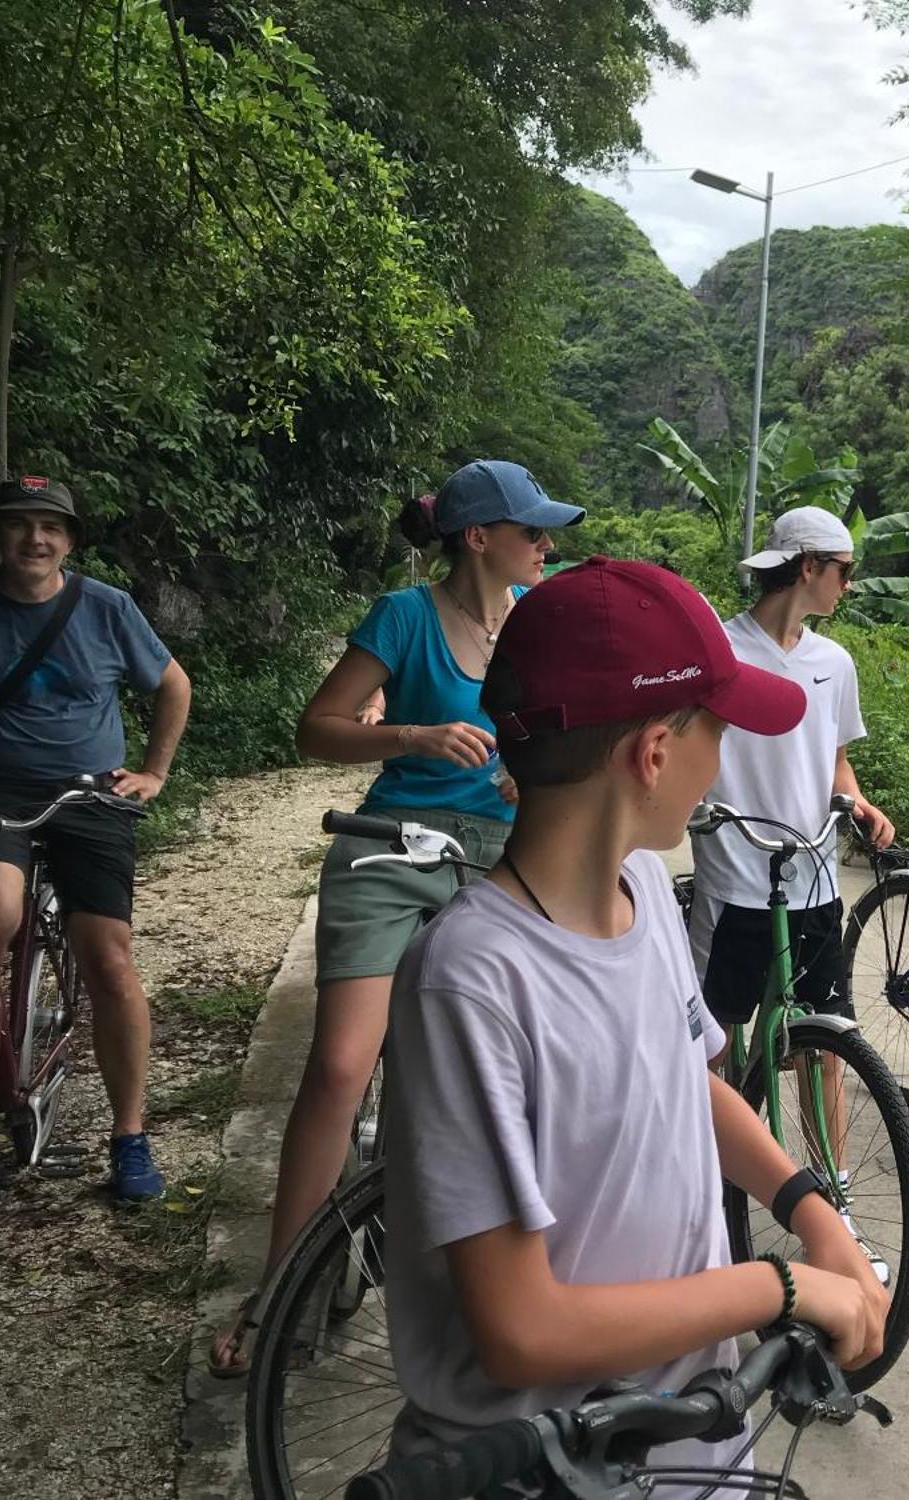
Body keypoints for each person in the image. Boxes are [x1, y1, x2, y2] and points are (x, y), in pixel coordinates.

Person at [381, 555, 888, 1476]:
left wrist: (810, 1210)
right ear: (653, 753)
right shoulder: (470, 980)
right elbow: (521, 1331)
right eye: (719, 734)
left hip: (691, 1437)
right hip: (550, 1467)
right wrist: (775, 1285)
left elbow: (684, 1079)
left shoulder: (648, 890)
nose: (724, 762)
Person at [208, 459, 578, 1376]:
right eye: (532, 529)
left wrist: (532, 766)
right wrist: (412, 735)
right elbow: (316, 728)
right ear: (477, 537)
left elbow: (573, 730)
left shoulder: (541, 623)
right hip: (390, 842)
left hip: (503, 855)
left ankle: (515, 1290)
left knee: (496, 1080)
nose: (547, 542)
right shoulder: (404, 617)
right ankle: (277, 1294)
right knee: (339, 1066)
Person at [0, 476, 193, 1201]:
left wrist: (154, 773)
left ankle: (129, 1136)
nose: (34, 539)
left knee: (108, 957)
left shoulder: (105, 608)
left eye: (50, 526)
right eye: (17, 524)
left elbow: (172, 684)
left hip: (89, 791)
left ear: (69, 541)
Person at [687, 505, 894, 1048]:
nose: (848, 586)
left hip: (815, 880)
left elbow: (836, 760)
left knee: (825, 1044)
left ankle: (823, 1141)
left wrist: (860, 803)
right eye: (844, 571)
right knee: (716, 1043)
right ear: (808, 566)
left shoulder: (835, 661)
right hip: (734, 879)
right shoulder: (720, 651)